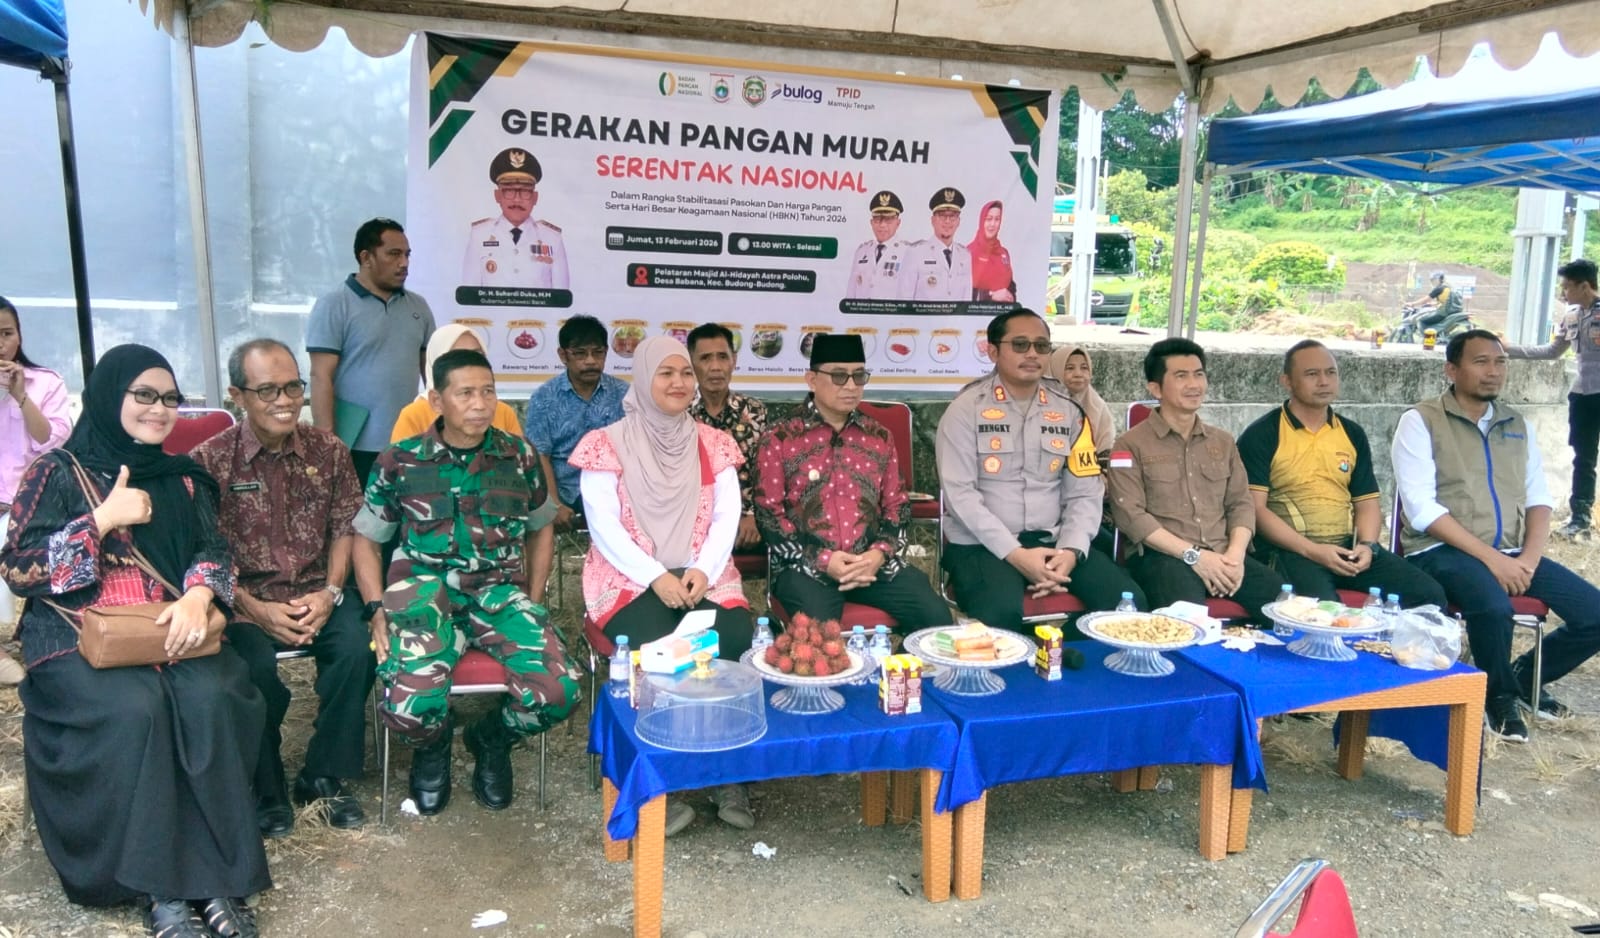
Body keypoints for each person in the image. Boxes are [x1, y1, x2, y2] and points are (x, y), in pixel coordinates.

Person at [0, 345, 267, 938]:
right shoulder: (56, 471)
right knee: (134, 708)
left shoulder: (185, 478)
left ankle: (217, 879)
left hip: (168, 625)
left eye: (170, 398)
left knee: (212, 697)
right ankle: (155, 887)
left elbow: (213, 550)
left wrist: (199, 594)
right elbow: (17, 567)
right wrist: (99, 520)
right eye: (143, 395)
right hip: (78, 634)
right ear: (107, 396)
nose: (160, 409)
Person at [355, 348, 578, 814]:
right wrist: (375, 608)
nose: (480, 404)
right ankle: (433, 744)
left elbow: (541, 528)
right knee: (406, 711)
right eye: (466, 393)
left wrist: (534, 597)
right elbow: (367, 540)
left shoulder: (518, 455)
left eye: (488, 392)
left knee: (560, 693)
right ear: (437, 401)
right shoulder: (400, 460)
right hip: (425, 595)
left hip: (499, 593)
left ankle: (490, 739)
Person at [192, 339, 374, 838]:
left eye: (293, 387)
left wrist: (331, 593)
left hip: (317, 592)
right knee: (248, 670)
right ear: (237, 396)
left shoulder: (328, 450)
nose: (286, 401)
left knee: (357, 649)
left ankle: (322, 775)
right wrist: (254, 608)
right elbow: (203, 551)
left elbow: (346, 527)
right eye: (268, 390)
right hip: (241, 602)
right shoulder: (208, 461)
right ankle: (265, 783)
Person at [571, 336, 751, 834]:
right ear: (643, 378)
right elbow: (604, 527)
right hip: (629, 577)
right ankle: (656, 782)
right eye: (666, 373)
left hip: (702, 574)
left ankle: (727, 772)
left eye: (685, 373)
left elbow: (727, 516)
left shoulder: (713, 443)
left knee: (734, 639)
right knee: (659, 649)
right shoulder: (606, 444)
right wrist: (656, 576)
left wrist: (703, 570)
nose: (679, 382)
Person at [1392, 330, 1600, 742]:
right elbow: (1421, 510)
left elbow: (1539, 499)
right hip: (1439, 549)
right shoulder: (1421, 421)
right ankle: (1497, 697)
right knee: (1491, 606)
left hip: (1511, 549)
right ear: (1452, 370)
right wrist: (1494, 560)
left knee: (1594, 614)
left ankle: (1523, 677)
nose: (1493, 371)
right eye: (1481, 362)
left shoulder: (1516, 424)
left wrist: (1527, 561)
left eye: (1500, 362)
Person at [937, 310, 1144, 633]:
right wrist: (1016, 555)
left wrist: (1071, 552)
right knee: (1000, 612)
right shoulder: (964, 410)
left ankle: (1062, 651)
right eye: (1020, 345)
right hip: (983, 545)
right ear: (993, 352)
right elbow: (960, 496)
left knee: (1126, 605)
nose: (1032, 353)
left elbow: (1085, 492)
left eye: (1041, 346)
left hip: (1054, 540)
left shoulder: (1070, 413)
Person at [755, 334, 952, 632]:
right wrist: (825, 560)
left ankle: (897, 664)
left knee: (935, 617)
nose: (850, 385)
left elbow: (897, 506)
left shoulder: (878, 436)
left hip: (872, 566)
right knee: (820, 636)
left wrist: (877, 554)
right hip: (804, 566)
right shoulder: (780, 437)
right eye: (839, 376)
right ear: (812, 380)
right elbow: (768, 515)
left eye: (858, 376)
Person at [1238, 340, 1446, 608]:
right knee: (1323, 611)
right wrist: (1313, 550)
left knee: (1429, 595)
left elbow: (1367, 503)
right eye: (1312, 374)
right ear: (1286, 381)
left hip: (1348, 548)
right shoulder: (1263, 434)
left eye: (1331, 372)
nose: (1323, 381)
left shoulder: (1351, 433)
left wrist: (1368, 546)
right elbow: (1255, 509)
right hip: (1291, 550)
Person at [1108, 338, 1279, 620]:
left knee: (1282, 604)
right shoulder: (1129, 445)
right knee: (1187, 617)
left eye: (1199, 374)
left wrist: (1235, 556)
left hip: (1223, 554)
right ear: (1155, 388)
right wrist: (1195, 557)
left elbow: (1241, 504)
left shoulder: (1223, 442)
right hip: (1163, 558)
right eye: (1181, 376)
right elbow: (1131, 516)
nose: (1194, 384)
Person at [307, 217, 436, 486]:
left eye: (407, 254)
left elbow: (433, 376)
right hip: (354, 445)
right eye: (394, 254)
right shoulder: (334, 305)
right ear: (366, 257)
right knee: (358, 514)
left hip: (409, 443)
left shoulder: (419, 307)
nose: (404, 263)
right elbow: (320, 376)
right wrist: (327, 442)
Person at [0, 296, 71, 685]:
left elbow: (51, 442)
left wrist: (20, 396)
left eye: (6, 333)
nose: (0, 344)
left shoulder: (45, 382)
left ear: (19, 335)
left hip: (33, 502)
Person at [1509, 258, 1600, 539]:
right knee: (1583, 457)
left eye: (1568, 287)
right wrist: (1508, 349)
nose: (1563, 293)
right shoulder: (1572, 316)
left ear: (1585, 286)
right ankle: (1580, 517)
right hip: (1583, 396)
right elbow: (1552, 351)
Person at [523, 315, 628, 530]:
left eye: (598, 353)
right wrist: (555, 504)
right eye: (580, 353)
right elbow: (540, 455)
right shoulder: (544, 398)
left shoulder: (624, 394)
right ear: (563, 355)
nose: (590, 361)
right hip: (566, 495)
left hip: (616, 494)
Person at [686, 322, 766, 551]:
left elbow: (765, 472)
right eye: (705, 358)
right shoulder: (680, 413)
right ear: (691, 364)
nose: (715, 367)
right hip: (690, 522)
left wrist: (751, 515)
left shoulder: (754, 411)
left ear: (734, 360)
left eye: (722, 357)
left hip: (745, 523)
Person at [391, 323, 522, 442]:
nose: (469, 363)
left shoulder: (503, 412)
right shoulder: (414, 415)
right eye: (457, 356)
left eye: (476, 355)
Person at [461, 148, 569, 290]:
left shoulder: (552, 238)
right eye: (509, 190)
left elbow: (561, 296)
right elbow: (470, 294)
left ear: (535, 198)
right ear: (497, 195)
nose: (517, 199)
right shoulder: (479, 235)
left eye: (525, 191)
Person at [844, 189, 915, 300]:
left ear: (898, 223)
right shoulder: (861, 252)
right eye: (877, 219)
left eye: (888, 219)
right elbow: (851, 293)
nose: (882, 225)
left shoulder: (909, 252)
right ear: (871, 222)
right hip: (862, 311)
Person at [907, 187, 973, 301]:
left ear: (958, 221)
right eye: (942, 215)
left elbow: (966, 299)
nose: (947, 221)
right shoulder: (916, 253)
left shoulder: (965, 255)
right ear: (933, 220)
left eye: (952, 216)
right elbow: (903, 300)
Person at [967, 200, 1016, 303]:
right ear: (982, 221)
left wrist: (1010, 297)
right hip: (976, 312)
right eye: (988, 219)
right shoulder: (968, 253)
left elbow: (1011, 288)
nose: (993, 224)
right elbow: (962, 293)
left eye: (997, 219)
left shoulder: (1004, 254)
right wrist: (991, 296)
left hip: (1002, 312)